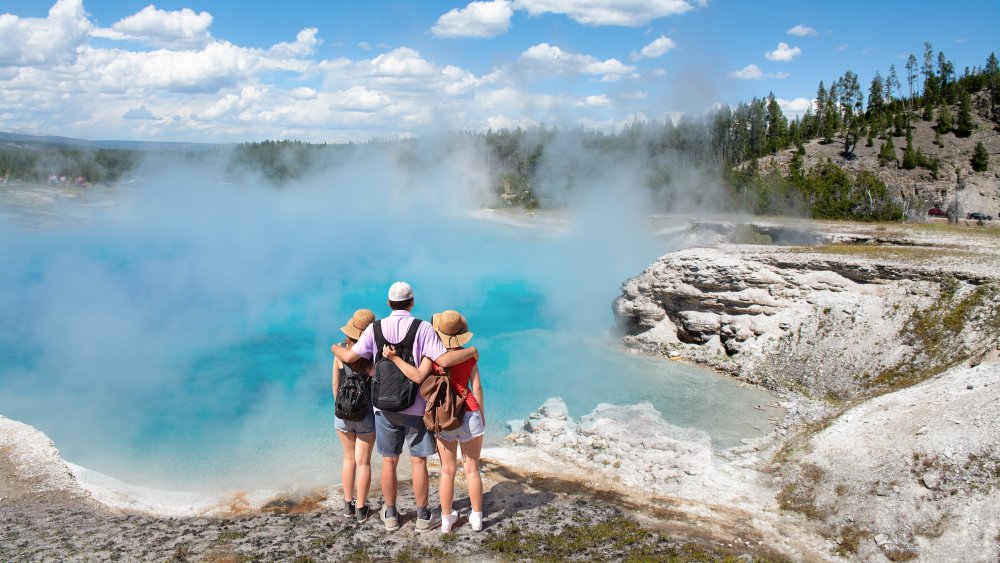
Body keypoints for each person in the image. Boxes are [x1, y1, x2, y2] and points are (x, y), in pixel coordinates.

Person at [331, 282, 477, 532]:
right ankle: (422, 516)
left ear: (389, 303)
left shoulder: (375, 329)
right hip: (416, 407)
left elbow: (349, 357)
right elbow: (442, 359)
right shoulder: (423, 328)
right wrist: (472, 351)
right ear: (412, 302)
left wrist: (334, 347)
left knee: (389, 461)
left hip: (383, 408)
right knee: (418, 462)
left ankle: (390, 514)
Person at [384, 309, 486, 533]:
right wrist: (482, 414)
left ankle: (447, 520)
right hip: (470, 412)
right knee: (472, 469)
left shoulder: (431, 357)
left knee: (447, 470)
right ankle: (477, 517)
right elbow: (476, 387)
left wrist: (394, 359)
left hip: (443, 416)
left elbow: (418, 378)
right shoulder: (469, 356)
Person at [332, 309, 377, 522]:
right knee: (364, 462)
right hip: (367, 414)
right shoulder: (372, 354)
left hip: (343, 413)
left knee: (348, 459)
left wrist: (342, 406)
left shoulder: (340, 351)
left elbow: (335, 384)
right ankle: (361, 509)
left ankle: (347, 505)